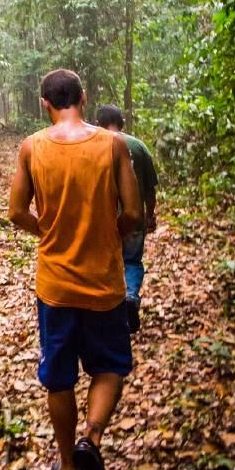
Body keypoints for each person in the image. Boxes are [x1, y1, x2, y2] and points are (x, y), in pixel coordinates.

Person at [8, 69, 141, 470]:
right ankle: (92, 440)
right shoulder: (113, 144)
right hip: (103, 281)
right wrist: (110, 233)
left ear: (44, 103)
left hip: (56, 286)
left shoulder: (32, 147)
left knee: (59, 379)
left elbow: (16, 212)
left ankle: (67, 469)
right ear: (83, 97)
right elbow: (134, 213)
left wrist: (46, 231)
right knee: (109, 368)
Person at [96, 104, 158, 334]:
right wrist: (149, 214)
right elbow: (150, 190)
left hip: (103, 219)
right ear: (122, 122)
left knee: (105, 263)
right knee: (131, 261)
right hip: (133, 218)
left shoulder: (93, 146)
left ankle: (106, 309)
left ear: (97, 123)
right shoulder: (138, 146)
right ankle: (130, 296)